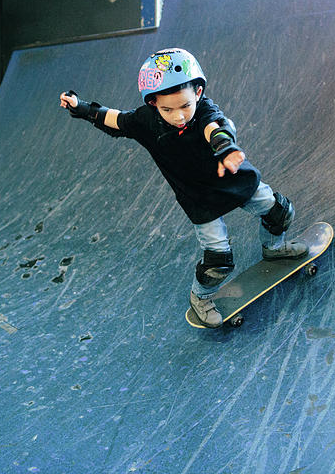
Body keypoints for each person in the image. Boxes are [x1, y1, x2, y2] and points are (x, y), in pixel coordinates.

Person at [59, 48, 307, 327]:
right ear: (153, 103)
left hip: (232, 177)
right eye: (168, 109)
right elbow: (113, 119)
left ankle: (273, 248)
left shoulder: (204, 110)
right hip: (199, 198)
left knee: (279, 212)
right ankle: (201, 297)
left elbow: (215, 127)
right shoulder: (144, 121)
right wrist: (80, 108)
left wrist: (226, 148)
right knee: (218, 260)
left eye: (185, 105)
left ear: (198, 93)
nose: (179, 116)